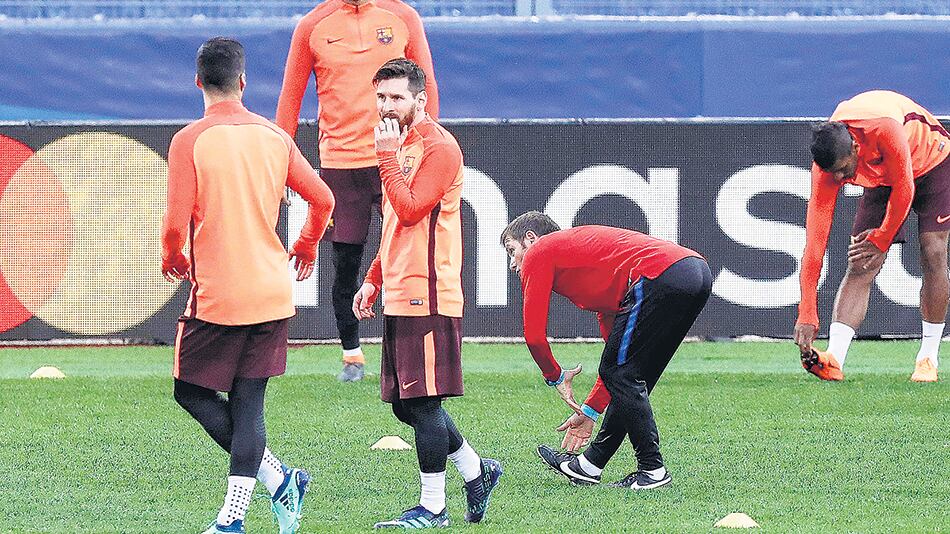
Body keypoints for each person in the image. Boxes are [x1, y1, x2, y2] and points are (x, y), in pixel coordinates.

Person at [162, 37, 335, 534]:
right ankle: (274, 485)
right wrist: (305, 247)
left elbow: (175, 227)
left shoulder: (189, 140)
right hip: (271, 290)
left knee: (190, 393)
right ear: (243, 82)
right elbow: (322, 199)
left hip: (219, 295)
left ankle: (240, 512)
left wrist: (172, 257)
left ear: (198, 82)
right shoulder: (274, 137)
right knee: (248, 401)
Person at [351, 58, 499, 529]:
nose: (387, 106)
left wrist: (387, 158)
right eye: (381, 97)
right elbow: (394, 223)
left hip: (429, 291)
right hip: (398, 287)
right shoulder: (397, 146)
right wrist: (374, 276)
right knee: (403, 405)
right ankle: (477, 472)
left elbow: (412, 210)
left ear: (420, 99)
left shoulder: (438, 147)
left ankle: (433, 507)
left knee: (424, 402)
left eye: (397, 97)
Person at [276, 0, 439, 382]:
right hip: (340, 166)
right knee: (346, 265)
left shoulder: (402, 17)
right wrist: (279, 166)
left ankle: (412, 353)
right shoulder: (313, 25)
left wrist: (428, 148)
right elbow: (290, 99)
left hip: (397, 158)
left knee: (408, 259)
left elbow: (426, 88)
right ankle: (352, 356)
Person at [501, 212, 711, 490]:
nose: (512, 264)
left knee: (622, 375)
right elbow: (615, 372)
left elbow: (534, 336)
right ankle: (589, 466)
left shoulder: (541, 249)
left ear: (530, 239)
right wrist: (589, 412)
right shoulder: (594, 269)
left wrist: (555, 376)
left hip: (660, 274)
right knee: (629, 376)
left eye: (511, 251)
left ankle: (652, 471)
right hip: (695, 273)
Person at [795, 90, 950, 383]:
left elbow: (905, 189)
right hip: (884, 174)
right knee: (860, 262)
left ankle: (928, 357)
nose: (840, 180)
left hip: (933, 161)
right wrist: (807, 312)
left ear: (855, 146)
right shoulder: (827, 169)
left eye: (843, 171)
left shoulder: (884, 129)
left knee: (933, 252)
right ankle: (834, 359)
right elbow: (815, 243)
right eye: (834, 174)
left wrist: (882, 239)